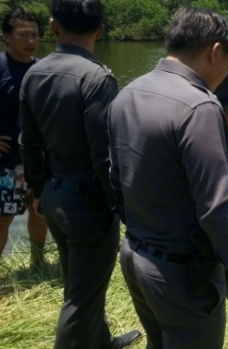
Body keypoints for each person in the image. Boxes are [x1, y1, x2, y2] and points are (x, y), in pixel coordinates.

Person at [108, 8, 228, 348]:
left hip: (136, 255)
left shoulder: (129, 93)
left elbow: (115, 178)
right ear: (215, 52)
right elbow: (218, 208)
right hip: (182, 274)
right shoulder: (200, 108)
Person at [19, 0, 141, 348]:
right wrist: (121, 206)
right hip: (88, 204)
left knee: (80, 283)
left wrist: (39, 190)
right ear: (100, 31)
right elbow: (106, 157)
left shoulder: (34, 73)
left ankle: (100, 341)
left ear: (54, 27)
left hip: (55, 195)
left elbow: (29, 143)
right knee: (81, 297)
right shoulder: (97, 78)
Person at [0, 8, 48, 268]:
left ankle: (37, 264)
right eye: (23, 35)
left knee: (40, 213)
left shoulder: (43, 70)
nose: (30, 41)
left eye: (35, 35)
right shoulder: (1, 67)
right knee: (3, 219)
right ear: (7, 37)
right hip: (7, 163)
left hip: (38, 160)